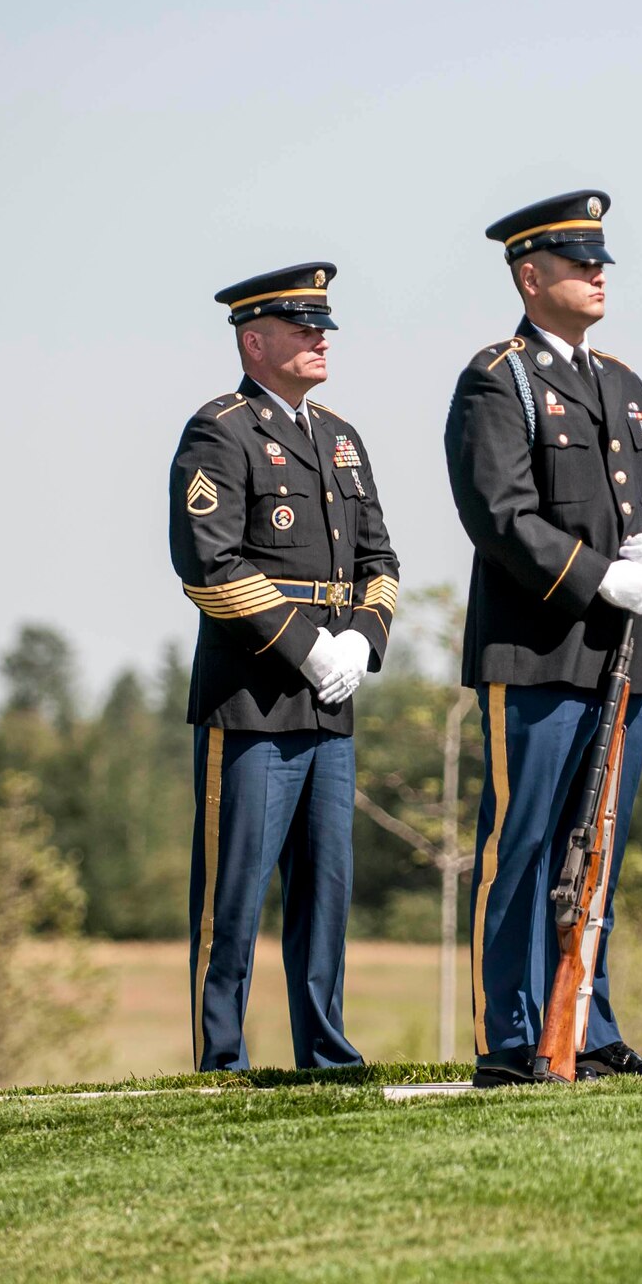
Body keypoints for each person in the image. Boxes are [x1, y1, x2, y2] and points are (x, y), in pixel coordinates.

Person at [444, 190, 642, 1086]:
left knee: (600, 844)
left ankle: (586, 1023)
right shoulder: (496, 380)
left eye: (600, 263)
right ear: (529, 275)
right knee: (525, 846)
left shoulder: (620, 383)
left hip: (620, 653)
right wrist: (595, 576)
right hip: (536, 646)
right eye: (580, 264)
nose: (597, 275)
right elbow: (499, 515)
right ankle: (508, 1038)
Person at [168, 262, 400, 1072]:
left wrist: (364, 641)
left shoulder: (340, 436)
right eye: (303, 329)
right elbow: (210, 566)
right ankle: (220, 1057)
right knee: (232, 897)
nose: (320, 340)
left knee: (325, 891)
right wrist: (308, 646)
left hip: (332, 703)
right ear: (253, 340)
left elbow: (380, 556)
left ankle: (325, 1054)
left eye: (323, 328)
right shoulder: (219, 432)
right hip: (254, 702)